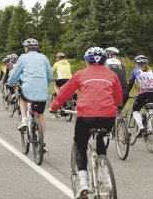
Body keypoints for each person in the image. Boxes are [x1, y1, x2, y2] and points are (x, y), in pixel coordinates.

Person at [50, 47, 122, 198]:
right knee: (101, 136)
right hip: (108, 117)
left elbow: (65, 92)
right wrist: (112, 107)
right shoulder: (112, 75)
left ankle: (83, 183)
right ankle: (103, 167)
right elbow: (118, 98)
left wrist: (54, 107)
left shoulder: (81, 74)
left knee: (80, 144)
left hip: (86, 117)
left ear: (86, 60)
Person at [7, 38, 53, 143]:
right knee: (40, 115)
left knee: (22, 99)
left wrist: (10, 83)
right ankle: (42, 141)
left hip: (28, 88)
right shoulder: (44, 57)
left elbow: (15, 73)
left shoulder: (23, 58)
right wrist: (47, 83)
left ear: (27, 48)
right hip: (42, 90)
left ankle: (23, 120)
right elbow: (50, 75)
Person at [129, 55, 153, 136]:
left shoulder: (135, 71)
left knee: (135, 110)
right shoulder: (151, 70)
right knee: (150, 109)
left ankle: (141, 127)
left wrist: (126, 92)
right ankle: (149, 128)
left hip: (143, 93)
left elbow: (131, 84)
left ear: (137, 63)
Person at [105, 47, 129, 112]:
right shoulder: (121, 65)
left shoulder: (105, 63)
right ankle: (120, 119)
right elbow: (122, 77)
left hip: (112, 91)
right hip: (125, 91)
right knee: (118, 110)